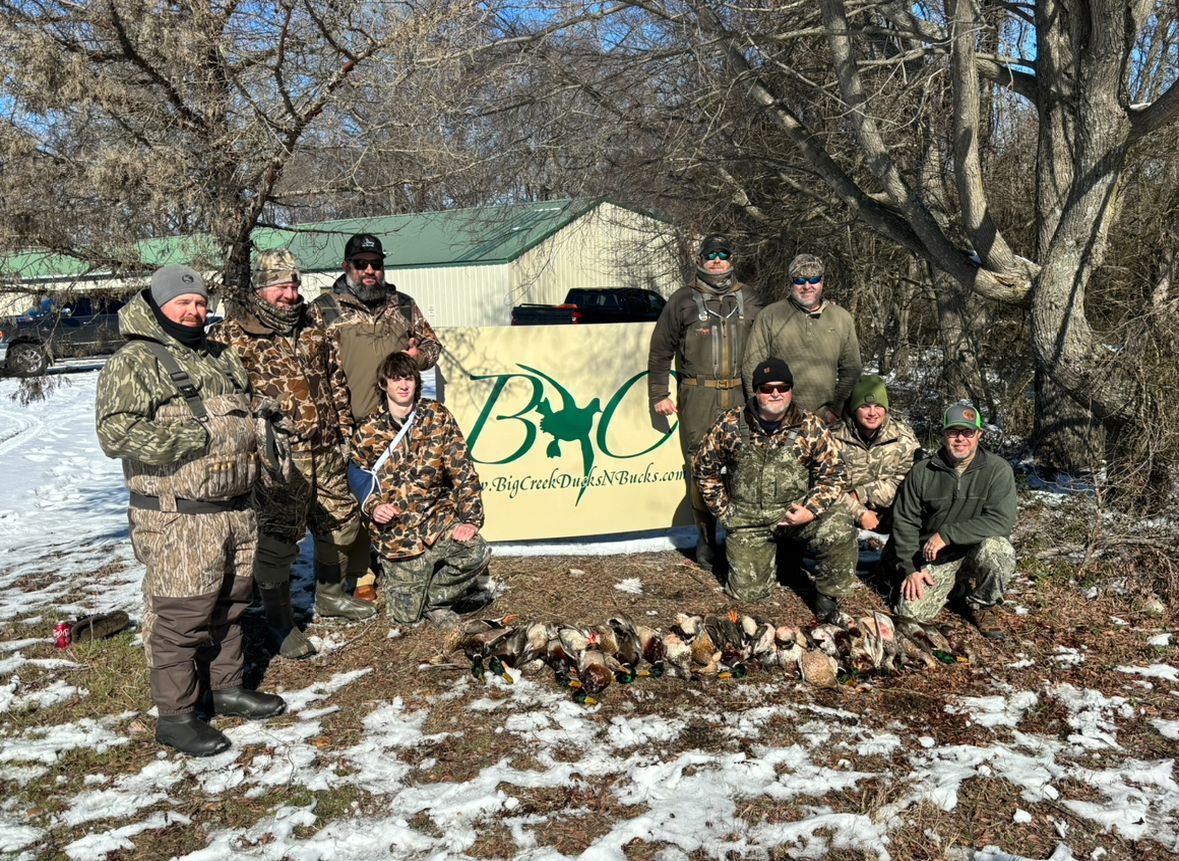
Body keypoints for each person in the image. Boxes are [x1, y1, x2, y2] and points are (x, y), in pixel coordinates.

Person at [95, 265, 285, 757]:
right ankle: (176, 717)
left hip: (236, 509)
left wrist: (261, 416)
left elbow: (238, 407)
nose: (194, 311)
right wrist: (192, 437)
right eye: (183, 303)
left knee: (232, 604)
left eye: (200, 302)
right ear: (159, 305)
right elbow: (114, 432)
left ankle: (225, 688)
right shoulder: (134, 361)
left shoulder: (220, 355)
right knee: (183, 613)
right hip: (178, 516)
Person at [212, 250, 375, 661]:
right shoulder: (234, 334)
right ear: (261, 289)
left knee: (340, 519)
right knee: (280, 539)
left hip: (325, 445)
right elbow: (223, 397)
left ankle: (331, 595)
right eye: (281, 287)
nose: (290, 294)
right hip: (280, 455)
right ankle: (279, 620)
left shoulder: (313, 323)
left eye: (294, 285)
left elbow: (334, 378)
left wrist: (343, 431)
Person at [311, 233, 443, 601]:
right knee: (357, 497)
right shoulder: (323, 309)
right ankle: (363, 574)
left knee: (402, 489)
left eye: (376, 264)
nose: (370, 271)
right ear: (346, 267)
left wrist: (418, 358)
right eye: (361, 264)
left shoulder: (402, 306)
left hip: (398, 422)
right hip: (349, 420)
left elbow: (432, 347)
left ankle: (405, 562)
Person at [693, 357, 858, 621]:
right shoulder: (730, 424)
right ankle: (777, 558)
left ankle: (827, 597)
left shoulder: (810, 425)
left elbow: (834, 473)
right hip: (749, 520)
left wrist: (810, 511)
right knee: (748, 594)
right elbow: (704, 468)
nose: (775, 394)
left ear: (791, 390)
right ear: (756, 392)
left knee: (839, 527)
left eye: (782, 387)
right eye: (767, 388)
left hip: (795, 514)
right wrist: (724, 512)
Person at [647, 234, 764, 569]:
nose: (716, 260)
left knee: (745, 463)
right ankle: (706, 538)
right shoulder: (682, 299)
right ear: (699, 260)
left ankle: (740, 537)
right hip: (698, 394)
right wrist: (659, 394)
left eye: (722, 255)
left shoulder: (751, 298)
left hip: (742, 394)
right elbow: (660, 351)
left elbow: (770, 343)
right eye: (710, 254)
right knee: (700, 465)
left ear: (732, 260)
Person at [350, 351, 491, 625]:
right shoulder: (368, 431)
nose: (403, 385)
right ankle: (412, 587)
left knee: (477, 550)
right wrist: (374, 506)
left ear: (416, 382)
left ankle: (436, 601)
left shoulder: (437, 417)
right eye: (395, 379)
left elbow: (463, 470)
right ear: (383, 384)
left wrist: (472, 520)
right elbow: (357, 474)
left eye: (408, 378)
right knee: (405, 618)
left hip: (436, 523)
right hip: (398, 534)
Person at [891, 402, 1017, 639]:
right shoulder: (922, 472)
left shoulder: (998, 470)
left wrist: (947, 534)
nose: (960, 439)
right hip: (935, 557)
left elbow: (1001, 521)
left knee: (999, 550)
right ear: (943, 435)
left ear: (979, 434)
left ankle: (983, 604)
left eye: (967, 432)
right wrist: (910, 569)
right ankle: (956, 588)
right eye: (953, 432)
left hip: (976, 549)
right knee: (909, 614)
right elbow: (905, 522)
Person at [741, 253, 861, 423]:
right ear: (791, 282)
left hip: (825, 419)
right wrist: (761, 409)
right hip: (779, 418)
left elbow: (852, 370)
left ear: (822, 282)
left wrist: (836, 409)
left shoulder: (841, 318)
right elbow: (752, 366)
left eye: (814, 280)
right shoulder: (770, 316)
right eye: (799, 280)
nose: (807, 286)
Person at [830, 375, 921, 533]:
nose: (872, 413)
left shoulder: (903, 437)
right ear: (854, 409)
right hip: (842, 512)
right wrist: (859, 512)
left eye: (878, 406)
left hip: (891, 512)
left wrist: (861, 494)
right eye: (865, 406)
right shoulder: (832, 438)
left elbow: (907, 483)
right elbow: (824, 487)